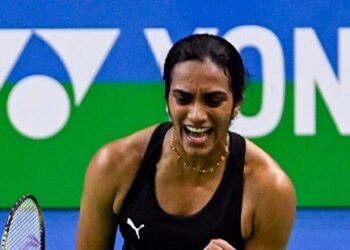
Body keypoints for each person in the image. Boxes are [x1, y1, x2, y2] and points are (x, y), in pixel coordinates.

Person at [77, 34, 296, 250]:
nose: (197, 114)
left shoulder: (269, 190)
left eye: (213, 100)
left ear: (236, 103)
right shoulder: (114, 165)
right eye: (183, 98)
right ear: (167, 99)